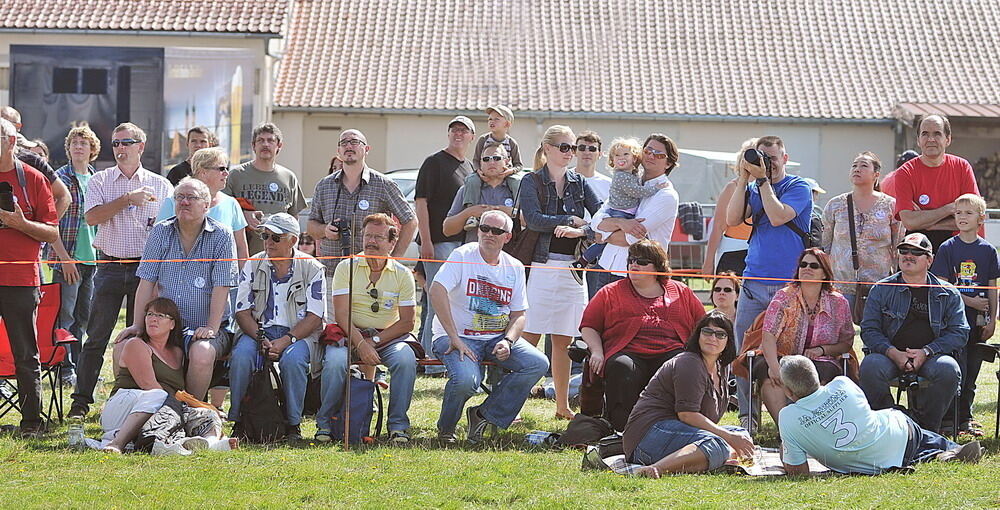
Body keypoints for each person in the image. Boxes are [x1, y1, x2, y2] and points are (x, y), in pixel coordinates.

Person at [69, 122, 173, 419]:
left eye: (126, 143)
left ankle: (140, 397)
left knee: (144, 335)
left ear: (141, 147)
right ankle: (81, 401)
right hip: (110, 265)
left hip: (146, 269)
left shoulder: (160, 184)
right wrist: (127, 199)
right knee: (97, 337)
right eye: (115, 144)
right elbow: (91, 218)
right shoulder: (101, 180)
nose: (120, 149)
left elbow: (167, 229)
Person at [430, 210, 549, 443]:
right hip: (455, 335)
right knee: (466, 381)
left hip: (496, 337)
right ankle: (446, 430)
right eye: (484, 228)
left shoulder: (514, 266)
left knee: (538, 363)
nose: (489, 234)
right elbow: (436, 289)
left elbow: (519, 314)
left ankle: (484, 414)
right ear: (478, 230)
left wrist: (509, 340)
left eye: (497, 231)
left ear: (507, 237)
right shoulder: (462, 255)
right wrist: (454, 337)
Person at [724, 135, 812, 429]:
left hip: (789, 287)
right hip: (753, 283)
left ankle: (793, 417)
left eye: (772, 158)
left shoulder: (799, 187)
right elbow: (733, 219)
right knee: (744, 352)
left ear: (785, 158)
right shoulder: (752, 186)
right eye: (761, 158)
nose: (767, 164)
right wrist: (742, 179)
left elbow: (777, 216)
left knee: (789, 352)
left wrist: (762, 182)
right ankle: (748, 417)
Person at [778, 355, 982, 475]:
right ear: (818, 377)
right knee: (910, 432)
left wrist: (786, 450)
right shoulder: (843, 384)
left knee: (900, 441)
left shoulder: (787, 418)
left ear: (788, 391)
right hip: (899, 435)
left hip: (867, 466)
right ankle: (949, 451)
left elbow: (798, 472)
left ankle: (938, 455)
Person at [519, 125, 602, 420]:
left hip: (572, 269)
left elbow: (602, 212)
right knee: (528, 336)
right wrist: (571, 219)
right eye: (566, 147)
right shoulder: (531, 181)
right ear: (548, 149)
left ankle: (562, 405)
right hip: (540, 266)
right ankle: (513, 405)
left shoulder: (578, 181)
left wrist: (584, 229)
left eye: (575, 147)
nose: (572, 153)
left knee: (564, 339)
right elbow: (533, 220)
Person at [580, 239, 707, 430]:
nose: (634, 265)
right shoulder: (610, 292)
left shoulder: (680, 291)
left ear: (657, 266)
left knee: (682, 365)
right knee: (622, 367)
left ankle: (677, 427)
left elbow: (703, 323)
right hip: (627, 351)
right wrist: (597, 351)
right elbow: (589, 325)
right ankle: (624, 430)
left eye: (641, 261)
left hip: (671, 351)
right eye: (631, 260)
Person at [132, 178, 238, 401]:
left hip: (208, 327)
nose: (185, 202)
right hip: (167, 327)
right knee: (126, 346)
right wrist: (137, 325)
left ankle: (193, 412)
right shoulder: (161, 232)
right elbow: (146, 282)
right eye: (180, 197)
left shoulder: (222, 235)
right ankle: (143, 410)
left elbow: (222, 286)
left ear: (206, 205)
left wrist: (211, 327)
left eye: (191, 198)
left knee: (201, 353)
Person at [318, 213, 418, 443]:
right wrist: (361, 343)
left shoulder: (403, 275)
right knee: (334, 363)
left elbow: (407, 322)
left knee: (405, 360)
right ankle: (325, 424)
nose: (371, 241)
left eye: (378, 237)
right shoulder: (346, 267)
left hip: (387, 337)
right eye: (367, 236)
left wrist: (373, 343)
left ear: (392, 243)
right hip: (349, 332)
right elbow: (342, 314)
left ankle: (398, 427)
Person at [229, 213, 325, 442]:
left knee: (293, 361)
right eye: (265, 236)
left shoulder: (312, 267)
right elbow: (242, 311)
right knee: (241, 357)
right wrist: (260, 337)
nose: (268, 242)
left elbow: (315, 317)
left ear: (293, 240)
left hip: (299, 334)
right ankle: (238, 421)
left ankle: (293, 425)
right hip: (258, 332)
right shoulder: (253, 263)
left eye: (276, 237)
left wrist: (287, 340)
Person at [623, 311, 753, 478]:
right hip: (646, 439)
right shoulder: (689, 363)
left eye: (720, 334)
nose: (713, 338)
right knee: (718, 442)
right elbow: (687, 415)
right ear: (698, 335)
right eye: (707, 332)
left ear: (728, 342)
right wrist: (727, 437)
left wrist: (731, 437)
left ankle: (715, 457)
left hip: (680, 432)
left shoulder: (722, 366)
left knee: (740, 433)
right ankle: (656, 469)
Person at [859, 232, 966, 433]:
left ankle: (926, 431)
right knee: (870, 366)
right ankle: (891, 427)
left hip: (933, 356)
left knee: (948, 369)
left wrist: (927, 351)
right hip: (889, 355)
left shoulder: (949, 292)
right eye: (904, 251)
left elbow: (960, 332)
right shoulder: (881, 289)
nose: (908, 255)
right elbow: (869, 330)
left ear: (929, 260)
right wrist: (893, 353)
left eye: (916, 252)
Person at [307, 129, 417, 321]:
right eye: (344, 143)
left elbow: (410, 221)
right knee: (335, 336)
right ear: (338, 152)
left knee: (371, 331)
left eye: (354, 142)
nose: (349, 146)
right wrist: (325, 230)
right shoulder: (323, 186)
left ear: (366, 149)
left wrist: (393, 259)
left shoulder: (383, 184)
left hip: (373, 274)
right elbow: (311, 226)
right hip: (333, 271)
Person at [0, 117, 59, 437]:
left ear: (10, 142)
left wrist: (19, 222)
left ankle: (32, 422)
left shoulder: (33, 179)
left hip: (21, 280)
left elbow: (51, 232)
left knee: (25, 353)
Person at [755, 248, 856, 425]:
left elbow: (846, 341)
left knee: (822, 374)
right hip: (781, 356)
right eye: (803, 264)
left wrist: (823, 349)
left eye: (813, 265)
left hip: (821, 360)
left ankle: (813, 429)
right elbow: (768, 335)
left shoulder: (839, 302)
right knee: (771, 377)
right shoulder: (784, 296)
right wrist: (774, 367)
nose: (807, 268)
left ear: (825, 274)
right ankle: (787, 430)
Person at [930, 194, 1000, 436]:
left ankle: (966, 418)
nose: (961, 217)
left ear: (981, 218)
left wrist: (992, 319)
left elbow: (992, 286)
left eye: (968, 213)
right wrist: (970, 300)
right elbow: (943, 286)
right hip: (955, 321)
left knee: (972, 371)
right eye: (958, 212)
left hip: (979, 322)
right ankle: (951, 418)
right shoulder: (948, 248)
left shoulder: (988, 250)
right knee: (956, 370)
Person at [414, 116, 476, 373]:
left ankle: (443, 354)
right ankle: (431, 361)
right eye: (454, 130)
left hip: (460, 244)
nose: (458, 134)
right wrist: (426, 240)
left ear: (472, 136)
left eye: (464, 130)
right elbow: (421, 202)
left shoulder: (470, 167)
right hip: (437, 243)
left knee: (453, 300)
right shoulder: (434, 162)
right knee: (438, 299)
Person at [590, 133, 680, 294]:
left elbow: (631, 238)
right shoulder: (627, 180)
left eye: (659, 154)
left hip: (637, 275)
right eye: (648, 150)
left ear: (668, 163)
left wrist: (603, 235)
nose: (651, 155)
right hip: (605, 266)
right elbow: (597, 219)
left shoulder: (666, 195)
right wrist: (620, 223)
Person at [46, 124, 101, 387]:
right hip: (66, 258)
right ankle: (63, 368)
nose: (78, 147)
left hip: (93, 259)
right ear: (68, 148)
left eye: (84, 143)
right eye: (74, 143)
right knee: (64, 318)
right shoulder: (59, 178)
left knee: (84, 318)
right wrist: (64, 259)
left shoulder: (98, 178)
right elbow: (49, 223)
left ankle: (80, 368)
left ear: (93, 150)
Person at [98, 298, 186, 453]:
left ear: (172, 324)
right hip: (123, 408)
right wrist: (178, 409)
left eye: (160, 315)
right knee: (157, 394)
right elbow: (149, 386)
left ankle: (213, 444)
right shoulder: (136, 344)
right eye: (150, 314)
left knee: (205, 413)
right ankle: (118, 443)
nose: (153, 319)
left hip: (158, 411)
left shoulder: (178, 353)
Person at [821, 152, 902, 312]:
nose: (857, 169)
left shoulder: (891, 206)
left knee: (874, 333)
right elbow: (825, 246)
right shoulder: (835, 205)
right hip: (841, 286)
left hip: (878, 286)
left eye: (864, 165)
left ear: (876, 175)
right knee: (839, 335)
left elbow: (898, 245)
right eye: (854, 165)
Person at [889, 114, 981, 251]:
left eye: (937, 134)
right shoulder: (905, 172)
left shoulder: (962, 167)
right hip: (917, 249)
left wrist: (929, 223)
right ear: (918, 140)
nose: (931, 139)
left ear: (948, 139)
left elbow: (974, 218)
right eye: (925, 134)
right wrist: (948, 209)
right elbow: (909, 222)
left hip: (958, 247)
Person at [157, 147, 249, 270]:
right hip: (178, 281)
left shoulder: (231, 203)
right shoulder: (173, 202)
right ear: (203, 172)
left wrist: (243, 282)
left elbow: (241, 248)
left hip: (222, 282)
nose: (226, 173)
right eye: (221, 169)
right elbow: (158, 243)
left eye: (227, 168)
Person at [579, 137, 666, 265]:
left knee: (604, 239)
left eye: (626, 154)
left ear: (635, 158)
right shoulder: (622, 176)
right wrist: (655, 189)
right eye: (617, 155)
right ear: (613, 160)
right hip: (621, 212)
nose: (621, 157)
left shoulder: (631, 175)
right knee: (604, 240)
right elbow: (636, 191)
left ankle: (584, 259)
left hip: (623, 211)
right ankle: (584, 259)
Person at [223, 122, 307, 254]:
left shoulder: (289, 177)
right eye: (260, 140)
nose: (265, 144)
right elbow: (221, 209)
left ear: (279, 145)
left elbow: (293, 218)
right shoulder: (236, 175)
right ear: (253, 146)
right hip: (242, 254)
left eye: (270, 140)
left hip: (278, 256)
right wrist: (242, 214)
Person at [0, 106, 70, 217]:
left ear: (18, 127)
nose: (1, 124)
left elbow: (64, 196)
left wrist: (41, 229)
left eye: (4, 120)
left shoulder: (31, 160)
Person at [701, 139, 757, 278]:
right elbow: (718, 226)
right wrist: (708, 262)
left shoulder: (772, 189)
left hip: (759, 252)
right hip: (733, 251)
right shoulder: (732, 188)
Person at [443, 141, 519, 244]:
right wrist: (469, 212)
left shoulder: (517, 188)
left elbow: (532, 223)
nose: (491, 162)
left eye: (496, 158)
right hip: (474, 254)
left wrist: (512, 213)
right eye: (486, 159)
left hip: (509, 254)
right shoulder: (468, 189)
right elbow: (447, 230)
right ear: (480, 164)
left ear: (507, 161)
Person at [471, 104, 522, 172]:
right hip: (486, 174)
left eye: (496, 119)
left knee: (515, 181)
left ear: (507, 124)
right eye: (490, 119)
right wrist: (478, 171)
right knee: (473, 180)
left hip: (505, 176)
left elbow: (518, 165)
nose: (492, 121)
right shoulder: (483, 139)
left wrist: (511, 171)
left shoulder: (511, 143)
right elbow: (476, 160)